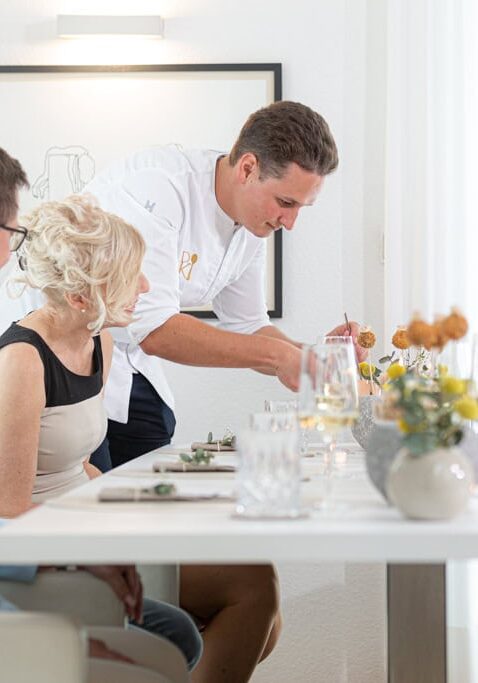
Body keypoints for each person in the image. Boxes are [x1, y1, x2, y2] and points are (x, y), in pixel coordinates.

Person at [82, 100, 365, 683]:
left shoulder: (250, 225)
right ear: (246, 168)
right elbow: (152, 327)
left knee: (264, 618)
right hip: (73, 376)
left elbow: (247, 329)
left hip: (133, 379)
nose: (290, 222)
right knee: (247, 591)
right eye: (286, 203)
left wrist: (313, 355)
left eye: (301, 207)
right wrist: (277, 355)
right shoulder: (157, 190)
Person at [0, 159, 202, 674]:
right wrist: (86, 557)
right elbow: (9, 513)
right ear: (79, 295)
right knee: (170, 642)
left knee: (178, 632)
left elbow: (85, 465)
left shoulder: (101, 342)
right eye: (131, 275)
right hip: (37, 568)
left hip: (73, 554)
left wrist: (126, 524)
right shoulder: (21, 362)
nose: (145, 286)